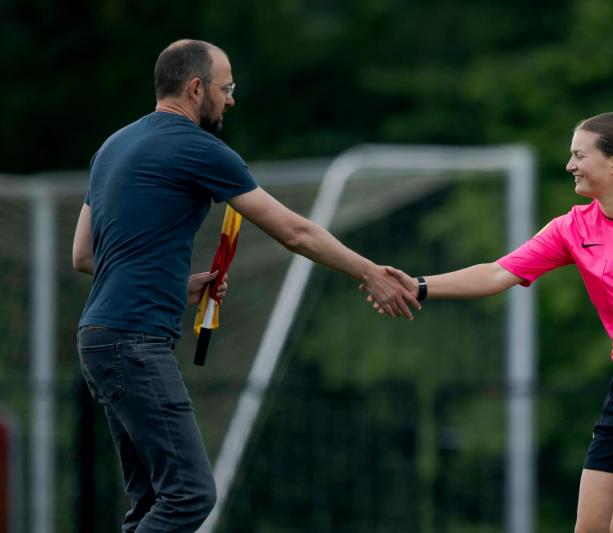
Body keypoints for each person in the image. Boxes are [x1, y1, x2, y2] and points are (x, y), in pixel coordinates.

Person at [72, 39, 420, 532]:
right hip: (135, 341)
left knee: (152, 501)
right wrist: (369, 272)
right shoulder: (199, 148)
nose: (231, 98)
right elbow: (294, 231)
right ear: (195, 88)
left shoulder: (112, 146)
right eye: (225, 87)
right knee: (189, 495)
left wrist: (172, 285)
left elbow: (84, 255)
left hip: (100, 337)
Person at [369, 112, 613, 532]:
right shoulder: (572, 228)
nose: (569, 165)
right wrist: (418, 286)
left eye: (579, 155)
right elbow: (497, 273)